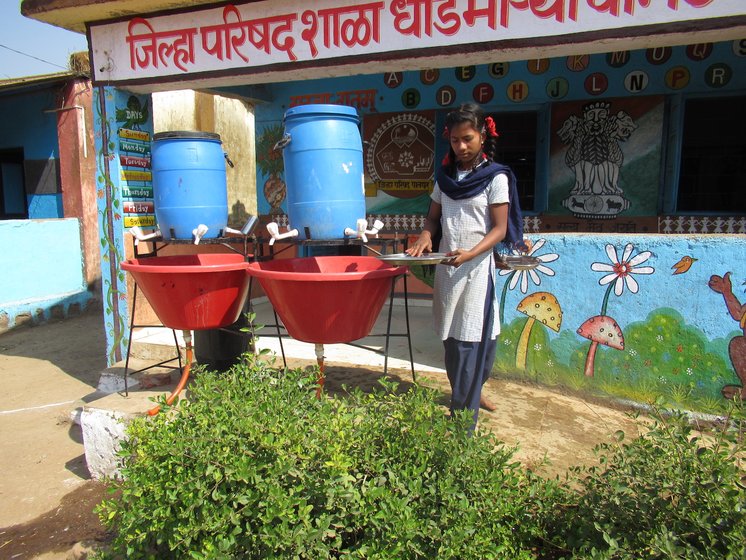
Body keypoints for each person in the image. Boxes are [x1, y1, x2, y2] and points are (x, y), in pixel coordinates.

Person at [406, 102, 518, 431]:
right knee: (453, 341)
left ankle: (462, 423)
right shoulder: (445, 178)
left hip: (477, 269)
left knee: (474, 340)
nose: (461, 146)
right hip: (448, 269)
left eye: (467, 138)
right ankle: (466, 394)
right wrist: (427, 235)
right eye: (455, 140)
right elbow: (433, 217)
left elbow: (498, 229)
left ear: (483, 135)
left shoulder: (496, 178)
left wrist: (471, 253)